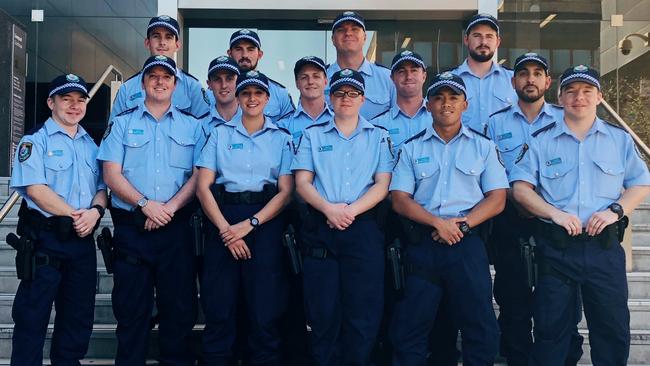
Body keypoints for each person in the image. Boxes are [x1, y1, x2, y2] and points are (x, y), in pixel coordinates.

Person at [510, 65, 650, 365]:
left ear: (599, 97)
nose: (579, 98)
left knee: (611, 329)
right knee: (550, 330)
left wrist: (616, 210)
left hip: (604, 249)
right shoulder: (540, 139)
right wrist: (554, 213)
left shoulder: (619, 140)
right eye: (571, 91)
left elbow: (641, 183)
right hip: (557, 249)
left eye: (587, 91)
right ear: (560, 97)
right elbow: (521, 189)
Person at [389, 72, 506, 366]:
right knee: (410, 329)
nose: (446, 104)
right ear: (427, 105)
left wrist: (462, 225)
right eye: (438, 98)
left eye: (453, 98)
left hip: (467, 246)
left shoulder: (483, 147)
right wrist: (437, 223)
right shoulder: (412, 147)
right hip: (424, 245)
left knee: (479, 326)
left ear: (465, 104)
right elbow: (400, 200)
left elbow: (497, 198)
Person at [98, 55, 204, 365]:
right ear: (143, 83)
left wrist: (168, 209)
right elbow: (110, 175)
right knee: (131, 313)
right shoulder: (121, 123)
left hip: (177, 230)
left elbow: (199, 175)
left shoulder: (193, 126)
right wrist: (146, 205)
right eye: (153, 76)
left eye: (166, 77)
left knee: (179, 312)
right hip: (133, 230)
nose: (159, 81)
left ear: (175, 84)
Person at [486, 52, 585, 365]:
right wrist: (518, 199)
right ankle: (517, 356)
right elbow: (488, 170)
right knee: (512, 294)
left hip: (556, 221)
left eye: (537, 73)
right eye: (523, 73)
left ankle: (565, 356)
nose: (530, 79)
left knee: (560, 297)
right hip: (510, 219)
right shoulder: (495, 122)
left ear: (548, 81)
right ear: (513, 81)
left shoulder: (564, 119)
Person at [292, 68, 393, 365]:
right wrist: (329, 209)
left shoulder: (379, 136)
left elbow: (383, 184)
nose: (345, 99)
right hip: (322, 226)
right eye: (339, 93)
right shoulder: (312, 135)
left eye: (352, 93)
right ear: (330, 97)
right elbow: (301, 183)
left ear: (362, 99)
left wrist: (350, 211)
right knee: (323, 314)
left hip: (362, 228)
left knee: (363, 314)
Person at [9, 74, 108, 366]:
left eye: (80, 100)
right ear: (51, 102)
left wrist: (96, 212)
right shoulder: (34, 141)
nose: (74, 106)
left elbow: (102, 190)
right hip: (45, 241)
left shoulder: (92, 144)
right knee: (31, 319)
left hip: (81, 242)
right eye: (67, 99)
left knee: (77, 321)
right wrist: (76, 213)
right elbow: (36, 190)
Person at [196, 70, 293, 365]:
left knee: (265, 310)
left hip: (264, 223)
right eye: (246, 93)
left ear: (267, 98)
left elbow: (286, 191)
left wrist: (250, 225)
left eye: (258, 94)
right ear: (238, 97)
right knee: (220, 308)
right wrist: (227, 230)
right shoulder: (219, 133)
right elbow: (203, 186)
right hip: (222, 220)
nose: (252, 99)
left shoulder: (281, 138)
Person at [110, 15, 209, 120]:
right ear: (147, 43)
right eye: (156, 36)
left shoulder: (193, 87)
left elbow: (202, 130)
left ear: (177, 45)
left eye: (168, 37)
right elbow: (114, 128)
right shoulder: (127, 89)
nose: (162, 42)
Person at [452, 13, 516, 133]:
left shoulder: (513, 79)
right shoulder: (451, 80)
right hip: (463, 151)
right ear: (466, 39)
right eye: (477, 36)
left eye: (489, 36)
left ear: (498, 41)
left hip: (503, 151)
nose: (483, 42)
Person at [326, 11, 396, 120]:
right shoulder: (319, 80)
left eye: (355, 29)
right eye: (341, 30)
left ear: (364, 37)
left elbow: (397, 118)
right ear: (333, 39)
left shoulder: (388, 78)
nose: (348, 33)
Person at [224, 29, 295, 122]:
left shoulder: (280, 93)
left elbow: (290, 129)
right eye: (238, 49)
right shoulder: (217, 92)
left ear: (260, 54)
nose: (244, 55)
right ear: (229, 54)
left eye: (250, 49)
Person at [371, 49, 431, 156]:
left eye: (414, 70)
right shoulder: (376, 126)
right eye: (402, 72)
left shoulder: (440, 121)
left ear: (424, 76)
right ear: (392, 78)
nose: (408, 77)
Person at [277, 56, 333, 145]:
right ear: (297, 83)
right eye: (304, 77)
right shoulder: (283, 126)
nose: (310, 81)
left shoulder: (338, 122)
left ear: (325, 82)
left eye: (316, 76)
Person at [202, 55, 242, 136]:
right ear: (209, 84)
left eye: (229, 79)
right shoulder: (199, 126)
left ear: (239, 82)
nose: (223, 85)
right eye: (217, 79)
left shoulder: (253, 123)